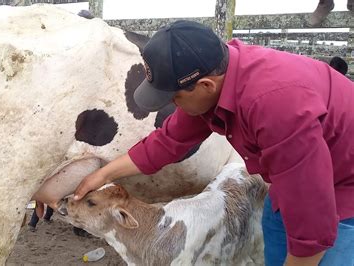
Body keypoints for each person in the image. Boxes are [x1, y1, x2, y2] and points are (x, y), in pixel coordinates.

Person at [66, 21, 354, 265]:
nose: (173, 105)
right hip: (286, 186)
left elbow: (312, 219)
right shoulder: (217, 82)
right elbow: (168, 141)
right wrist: (102, 175)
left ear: (205, 85)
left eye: (174, 98)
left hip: (344, 192)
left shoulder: (278, 107)